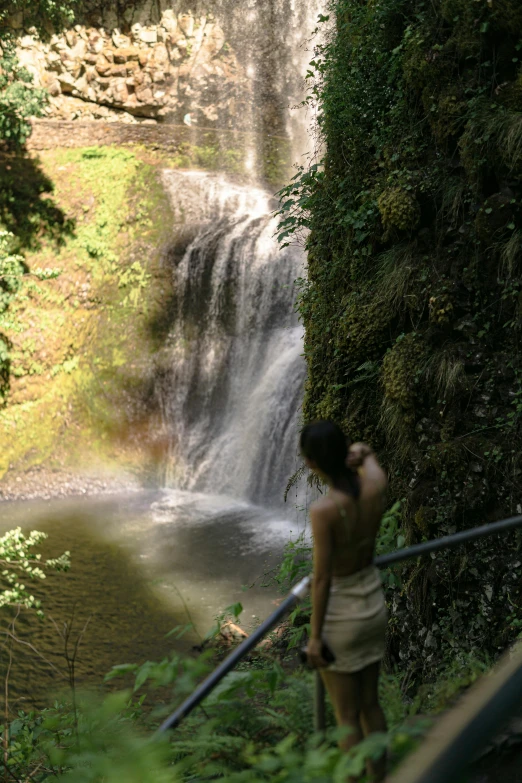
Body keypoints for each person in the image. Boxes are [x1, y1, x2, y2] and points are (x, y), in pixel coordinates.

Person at [301, 420, 388, 782]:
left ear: (313, 463)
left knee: (346, 717)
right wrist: (363, 450)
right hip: (372, 602)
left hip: (341, 615)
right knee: (371, 704)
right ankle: (381, 777)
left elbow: (322, 580)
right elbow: (370, 459)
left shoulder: (324, 511)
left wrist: (315, 636)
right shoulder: (374, 486)